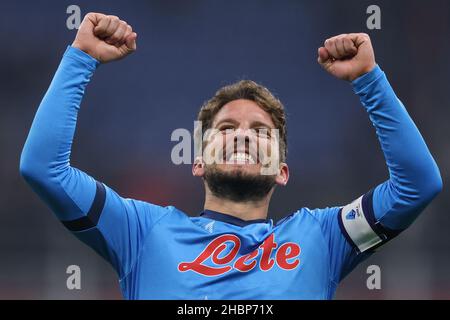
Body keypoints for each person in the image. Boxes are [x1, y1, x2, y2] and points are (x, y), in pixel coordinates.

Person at [20, 12, 442, 299]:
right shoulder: (140, 231)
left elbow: (418, 186)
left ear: (282, 170)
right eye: (225, 129)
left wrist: (370, 80)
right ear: (198, 161)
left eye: (261, 132)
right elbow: (44, 169)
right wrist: (80, 58)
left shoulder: (323, 237)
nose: (242, 136)